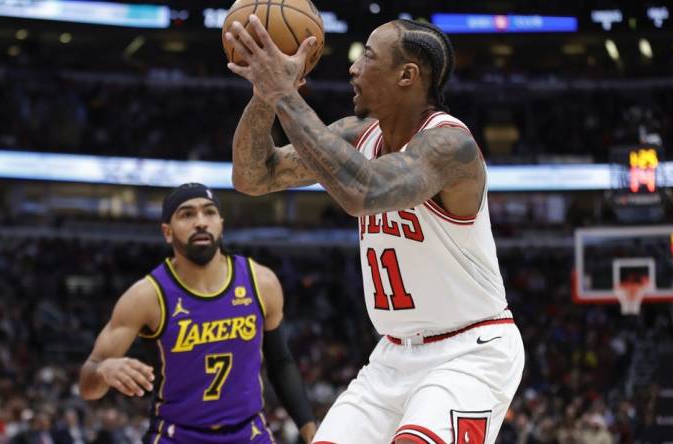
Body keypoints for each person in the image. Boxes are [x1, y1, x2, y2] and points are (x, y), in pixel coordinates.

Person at [226, 15, 525, 444]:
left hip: (469, 351)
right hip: (392, 357)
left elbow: (362, 190)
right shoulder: (355, 134)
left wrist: (284, 93)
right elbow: (253, 176)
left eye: (366, 56)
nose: (352, 68)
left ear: (407, 75)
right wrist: (263, 97)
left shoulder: (449, 146)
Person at [79, 183, 317, 443]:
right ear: (167, 232)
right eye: (187, 214)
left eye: (209, 212)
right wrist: (103, 370)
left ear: (221, 224)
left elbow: (281, 363)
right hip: (177, 435)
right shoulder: (146, 296)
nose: (201, 222)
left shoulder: (261, 282)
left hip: (249, 433)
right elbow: (87, 385)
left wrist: (312, 433)